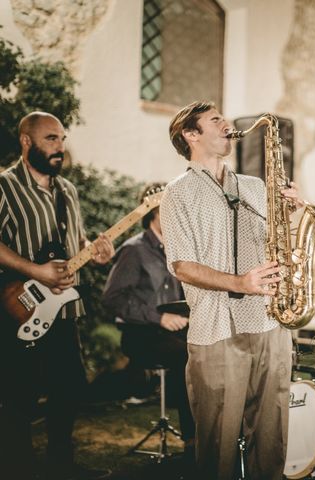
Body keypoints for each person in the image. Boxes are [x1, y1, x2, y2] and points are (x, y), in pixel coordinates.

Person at [160, 101, 301, 480]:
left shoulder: (256, 186)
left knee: (272, 433)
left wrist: (289, 214)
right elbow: (183, 266)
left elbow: (275, 243)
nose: (226, 123)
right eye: (215, 119)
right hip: (215, 327)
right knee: (217, 441)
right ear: (191, 134)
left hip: (269, 322)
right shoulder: (177, 193)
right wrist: (240, 283)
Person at [0, 112, 115, 480]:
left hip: (64, 312)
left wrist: (93, 252)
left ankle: (60, 466)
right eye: (51, 139)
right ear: (26, 141)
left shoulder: (68, 191)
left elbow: (76, 241)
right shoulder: (4, 186)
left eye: (62, 139)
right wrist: (34, 271)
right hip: (22, 309)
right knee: (19, 397)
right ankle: (17, 468)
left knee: (68, 391)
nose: (60, 147)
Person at [101, 182, 195, 456]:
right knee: (188, 356)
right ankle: (194, 442)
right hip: (139, 335)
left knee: (207, 349)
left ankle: (221, 435)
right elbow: (112, 299)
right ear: (154, 211)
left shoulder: (178, 249)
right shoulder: (134, 250)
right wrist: (159, 317)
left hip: (174, 333)